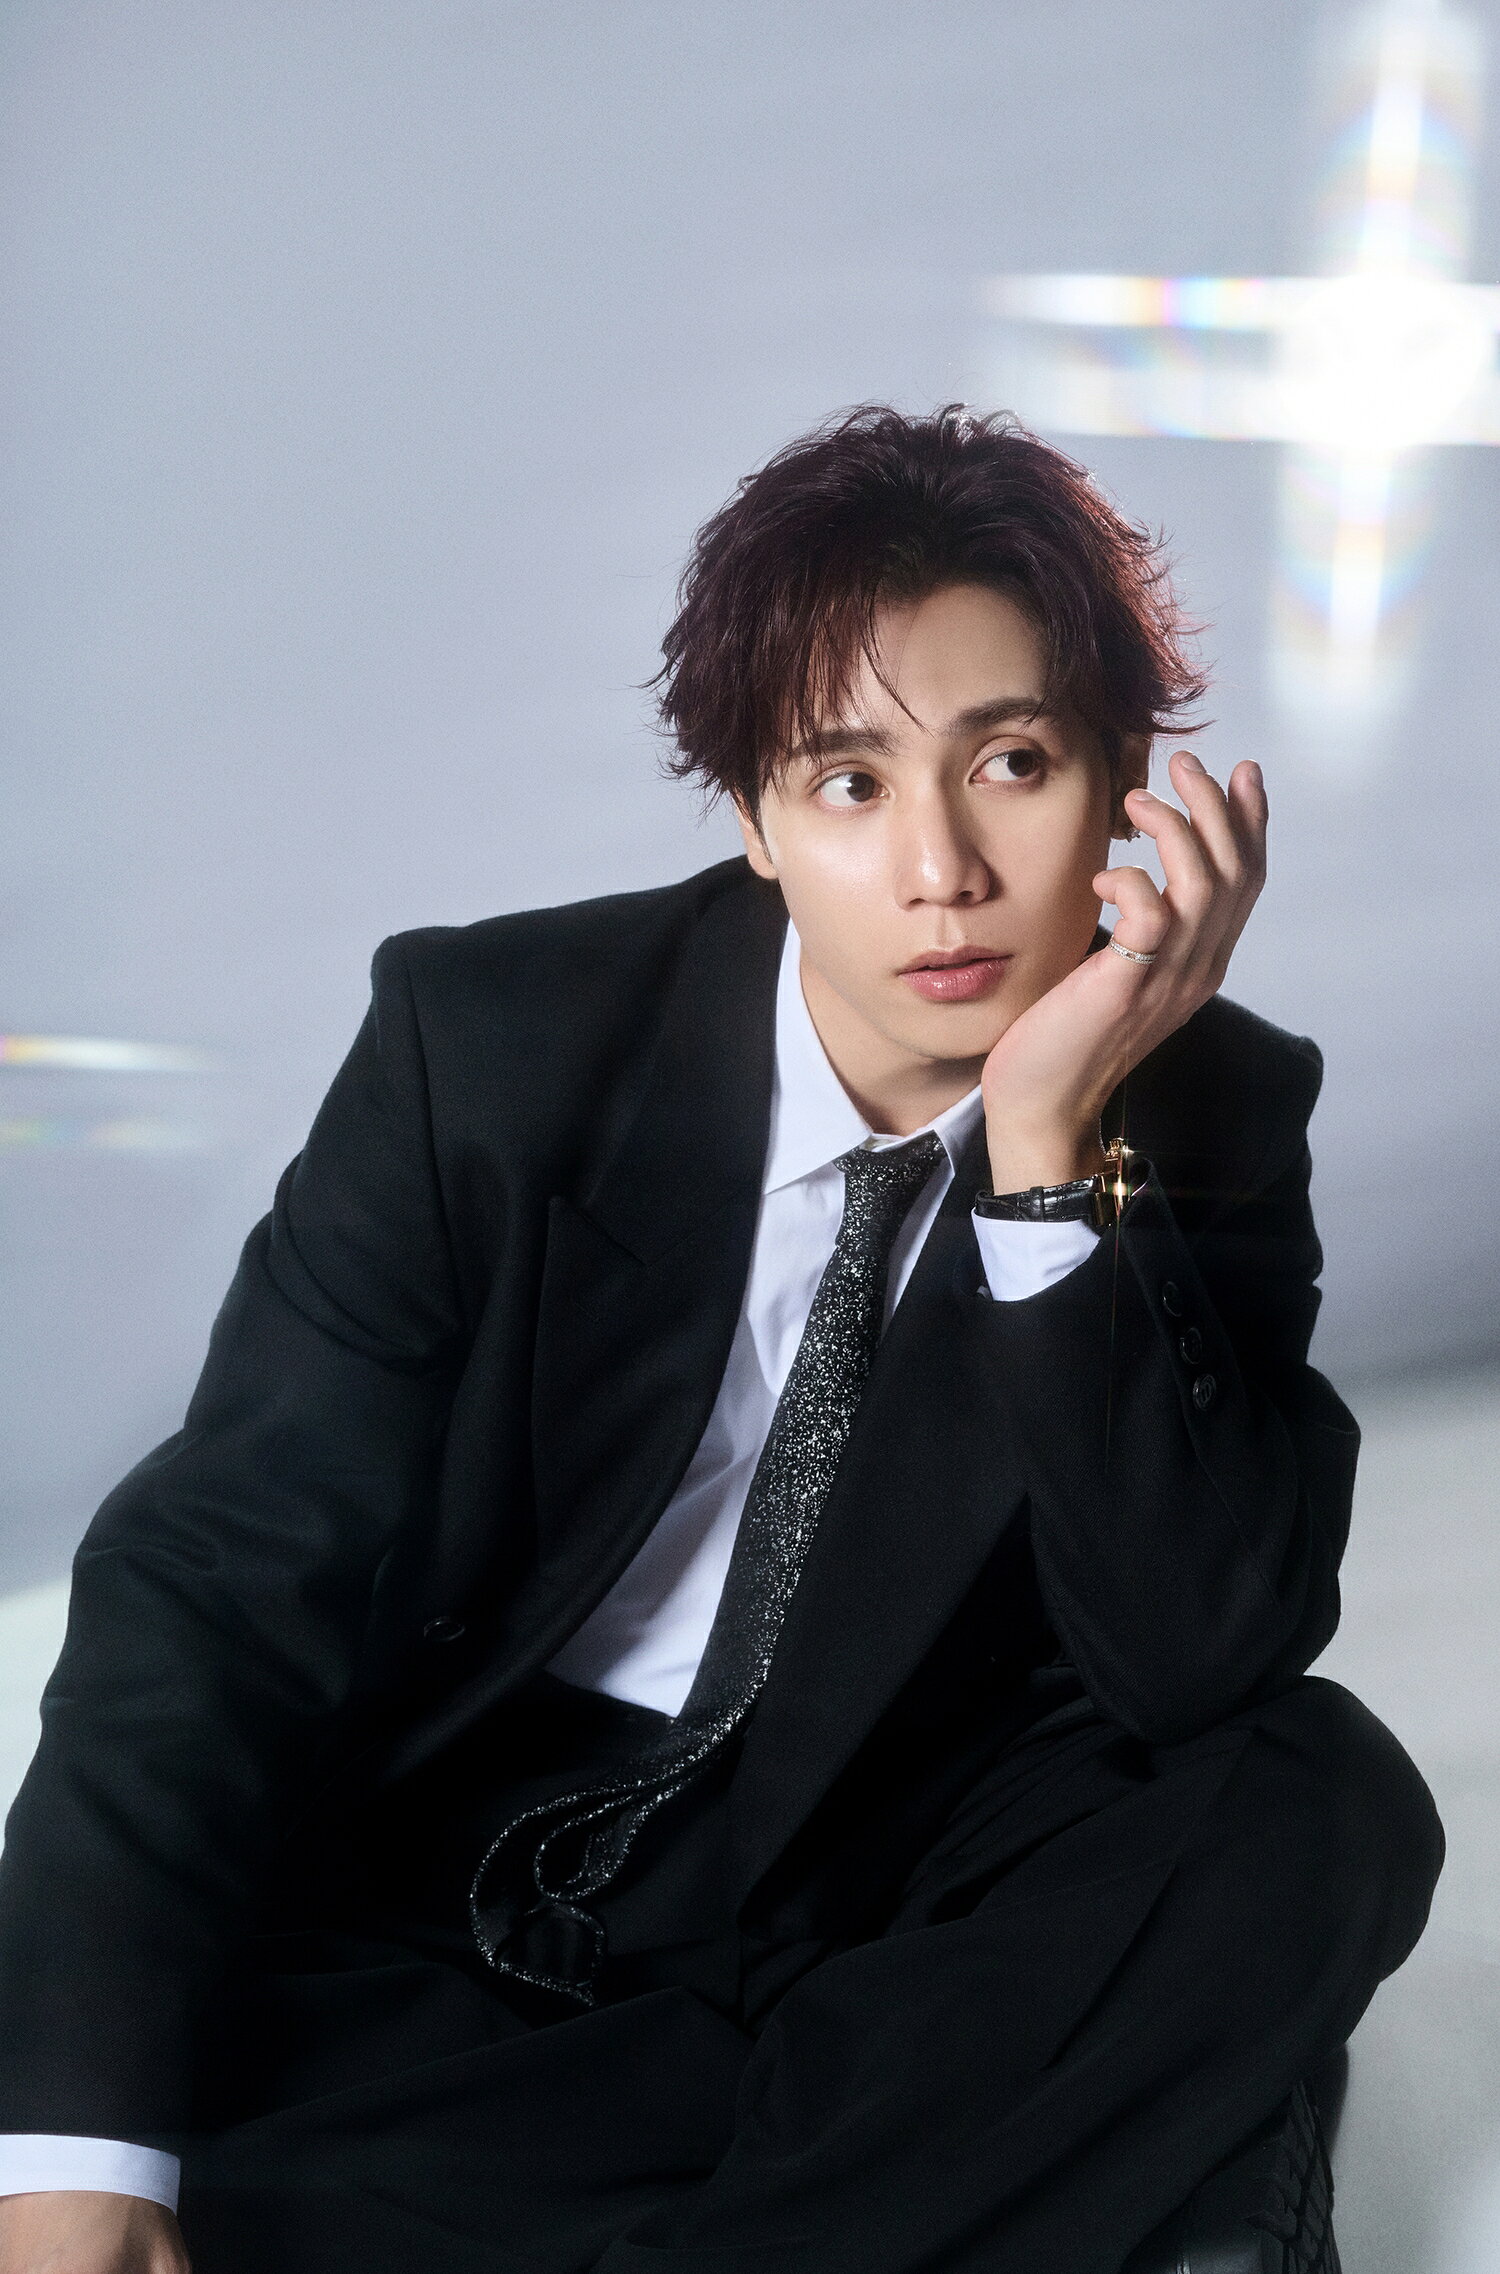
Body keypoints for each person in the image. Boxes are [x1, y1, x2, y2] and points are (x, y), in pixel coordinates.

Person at [0, 406, 1442, 2274]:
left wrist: (1045, 1153)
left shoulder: (1211, 1107)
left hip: (880, 1884)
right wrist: (77, 2147)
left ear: (1123, 788)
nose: (940, 867)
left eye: (1012, 762)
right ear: (754, 817)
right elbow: (216, 1582)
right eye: (848, 782)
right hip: (455, 1878)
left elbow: (1194, 1665)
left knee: (1311, 1800)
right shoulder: (490, 1044)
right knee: (173, 2108)